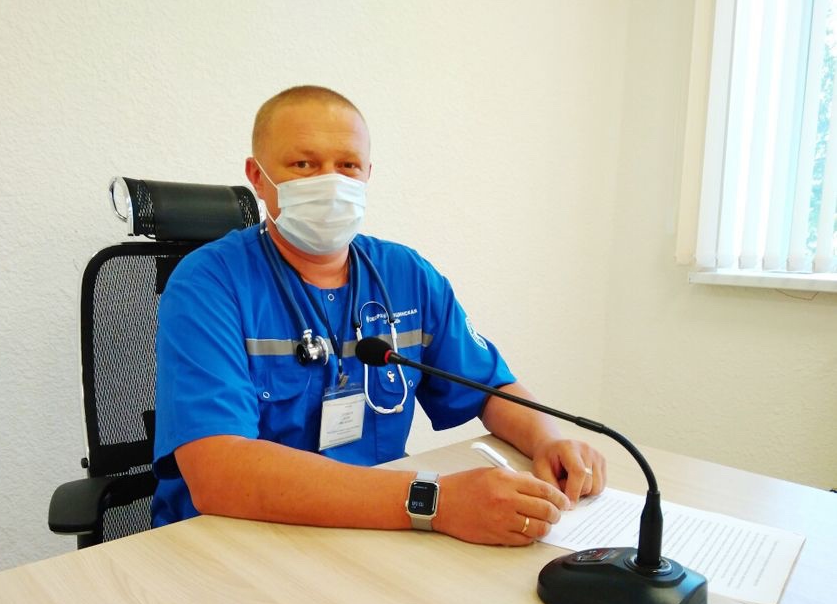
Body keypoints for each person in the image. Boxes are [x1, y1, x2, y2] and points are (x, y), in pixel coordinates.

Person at [152, 85, 606, 545]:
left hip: (375, 529)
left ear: (368, 174)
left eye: (348, 165)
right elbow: (218, 472)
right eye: (304, 164)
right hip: (238, 540)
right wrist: (437, 501)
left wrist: (548, 440)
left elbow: (490, 389)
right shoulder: (208, 284)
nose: (330, 182)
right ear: (258, 175)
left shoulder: (406, 275)